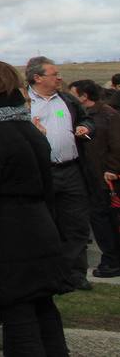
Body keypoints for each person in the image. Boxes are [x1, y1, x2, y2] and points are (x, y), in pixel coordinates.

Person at [0, 59, 69, 355]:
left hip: (10, 239)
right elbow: (47, 188)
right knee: (44, 313)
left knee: (20, 322)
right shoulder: (25, 126)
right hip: (40, 231)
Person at [24, 56, 94, 290]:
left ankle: (75, 274)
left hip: (71, 169)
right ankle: (48, 274)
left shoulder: (66, 100)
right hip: (42, 172)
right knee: (45, 224)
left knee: (76, 224)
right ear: (38, 78)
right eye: (55, 74)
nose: (60, 78)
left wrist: (86, 128)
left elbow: (86, 119)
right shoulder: (23, 103)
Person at [69, 79, 120, 277]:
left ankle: (112, 260)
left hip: (105, 178)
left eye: (73, 94)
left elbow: (117, 145)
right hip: (89, 176)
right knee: (100, 219)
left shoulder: (108, 115)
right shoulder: (79, 115)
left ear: (84, 96)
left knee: (105, 220)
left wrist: (113, 169)